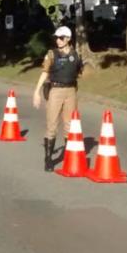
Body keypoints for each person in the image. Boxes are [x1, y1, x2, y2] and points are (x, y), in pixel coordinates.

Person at [32, 26, 84, 172]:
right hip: (55, 90)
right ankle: (48, 159)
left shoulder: (75, 55)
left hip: (71, 91)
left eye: (61, 38)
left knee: (69, 125)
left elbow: (78, 72)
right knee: (52, 125)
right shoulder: (52, 54)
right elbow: (45, 72)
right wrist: (36, 92)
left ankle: (68, 157)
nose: (58, 40)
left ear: (68, 39)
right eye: (56, 38)